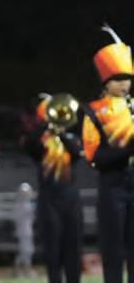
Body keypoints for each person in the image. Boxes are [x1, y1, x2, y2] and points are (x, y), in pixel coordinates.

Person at [82, 25, 134, 283]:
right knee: (113, 252)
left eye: (128, 77)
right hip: (112, 188)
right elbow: (95, 157)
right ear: (106, 80)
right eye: (118, 78)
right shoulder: (93, 111)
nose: (124, 83)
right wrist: (128, 149)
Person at [23, 95, 83, 283]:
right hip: (48, 201)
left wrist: (61, 132)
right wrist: (45, 126)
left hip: (71, 201)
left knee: (73, 250)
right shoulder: (41, 141)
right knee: (52, 252)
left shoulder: (71, 137)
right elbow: (29, 147)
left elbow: (76, 153)